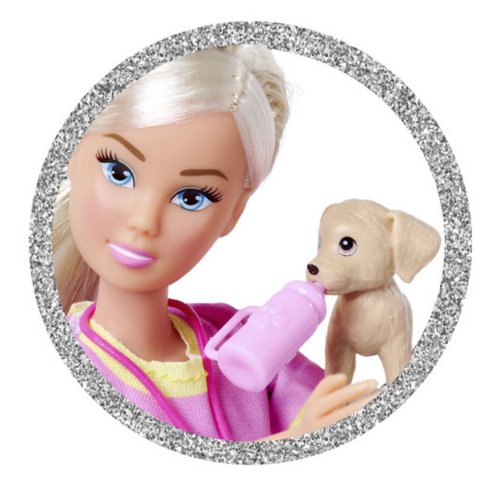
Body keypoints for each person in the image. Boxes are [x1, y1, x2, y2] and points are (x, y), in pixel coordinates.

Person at [53, 45, 377, 441]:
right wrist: (288, 445)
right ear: (70, 157)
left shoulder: (241, 341)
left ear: (235, 211)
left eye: (192, 198)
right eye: (119, 172)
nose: (144, 222)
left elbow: (335, 411)